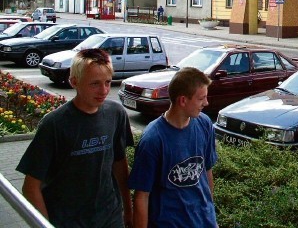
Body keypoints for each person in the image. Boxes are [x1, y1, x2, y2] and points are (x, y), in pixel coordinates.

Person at [16, 48, 134, 227]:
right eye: (94, 84)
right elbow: (30, 187)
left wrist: (128, 208)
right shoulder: (54, 124)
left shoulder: (116, 113)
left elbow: (119, 162)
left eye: (108, 82)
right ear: (74, 82)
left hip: (110, 216)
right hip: (68, 220)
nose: (103, 90)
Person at [129, 67, 218, 228]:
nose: (206, 103)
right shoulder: (153, 139)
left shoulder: (205, 124)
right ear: (183, 100)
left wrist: (210, 213)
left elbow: (207, 172)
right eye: (201, 99)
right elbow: (142, 196)